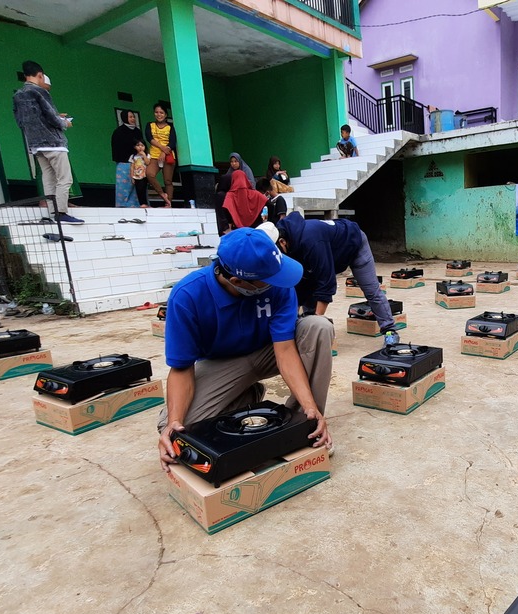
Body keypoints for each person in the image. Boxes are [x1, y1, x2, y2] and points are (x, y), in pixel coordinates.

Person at [157, 228, 334, 470]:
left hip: (269, 351)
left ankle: (305, 426)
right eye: (268, 279)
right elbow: (181, 368)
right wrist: (174, 420)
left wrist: (309, 405)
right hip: (223, 364)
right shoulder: (188, 296)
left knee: (318, 326)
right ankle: (247, 397)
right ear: (237, 281)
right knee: (179, 430)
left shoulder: (277, 282)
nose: (277, 281)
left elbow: (284, 351)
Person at [263, 213, 400, 345]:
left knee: (371, 290)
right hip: (332, 251)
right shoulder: (288, 241)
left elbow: (327, 282)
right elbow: (300, 285)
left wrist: (317, 322)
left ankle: (390, 330)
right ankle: (308, 324)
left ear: (282, 242)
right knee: (307, 286)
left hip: (354, 243)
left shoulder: (311, 241)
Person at [12, 61, 81, 223]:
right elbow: (51, 116)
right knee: (64, 179)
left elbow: (20, 121)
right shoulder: (40, 92)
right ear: (40, 75)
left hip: (36, 144)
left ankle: (51, 213)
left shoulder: (18, 95)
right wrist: (65, 123)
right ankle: (61, 212)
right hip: (53, 143)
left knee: (48, 179)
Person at [145, 103, 177, 207]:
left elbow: (172, 142)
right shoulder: (150, 125)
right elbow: (149, 138)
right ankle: (162, 194)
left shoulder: (170, 127)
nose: (159, 114)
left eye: (161, 112)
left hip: (168, 156)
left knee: (168, 181)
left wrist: (164, 152)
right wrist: (162, 147)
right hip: (154, 156)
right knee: (149, 174)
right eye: (156, 112)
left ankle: (168, 203)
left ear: (165, 114)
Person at [111, 110, 142, 208]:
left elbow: (142, 145)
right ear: (124, 118)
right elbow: (117, 148)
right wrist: (127, 158)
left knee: (137, 185)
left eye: (133, 117)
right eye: (130, 117)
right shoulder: (119, 132)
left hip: (137, 162)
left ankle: (137, 205)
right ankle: (123, 206)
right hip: (124, 163)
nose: (133, 119)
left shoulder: (137, 131)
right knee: (124, 186)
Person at [130, 141, 150, 208]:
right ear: (135, 147)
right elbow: (132, 167)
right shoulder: (133, 156)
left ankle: (145, 203)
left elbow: (147, 163)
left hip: (144, 175)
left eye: (142, 145)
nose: (140, 147)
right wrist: (132, 177)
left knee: (143, 189)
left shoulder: (147, 155)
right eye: (138, 145)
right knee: (138, 190)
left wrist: (144, 155)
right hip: (136, 175)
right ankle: (141, 203)